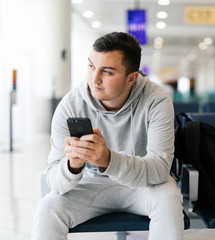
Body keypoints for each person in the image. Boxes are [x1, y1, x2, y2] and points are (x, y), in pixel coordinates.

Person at [31, 32, 184, 240]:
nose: (94, 79)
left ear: (131, 78)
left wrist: (109, 160)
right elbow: (55, 182)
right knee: (47, 208)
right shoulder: (70, 105)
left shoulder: (156, 100)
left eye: (107, 72)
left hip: (143, 185)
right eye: (91, 66)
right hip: (91, 184)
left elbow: (158, 170)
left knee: (168, 199)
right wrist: (72, 166)